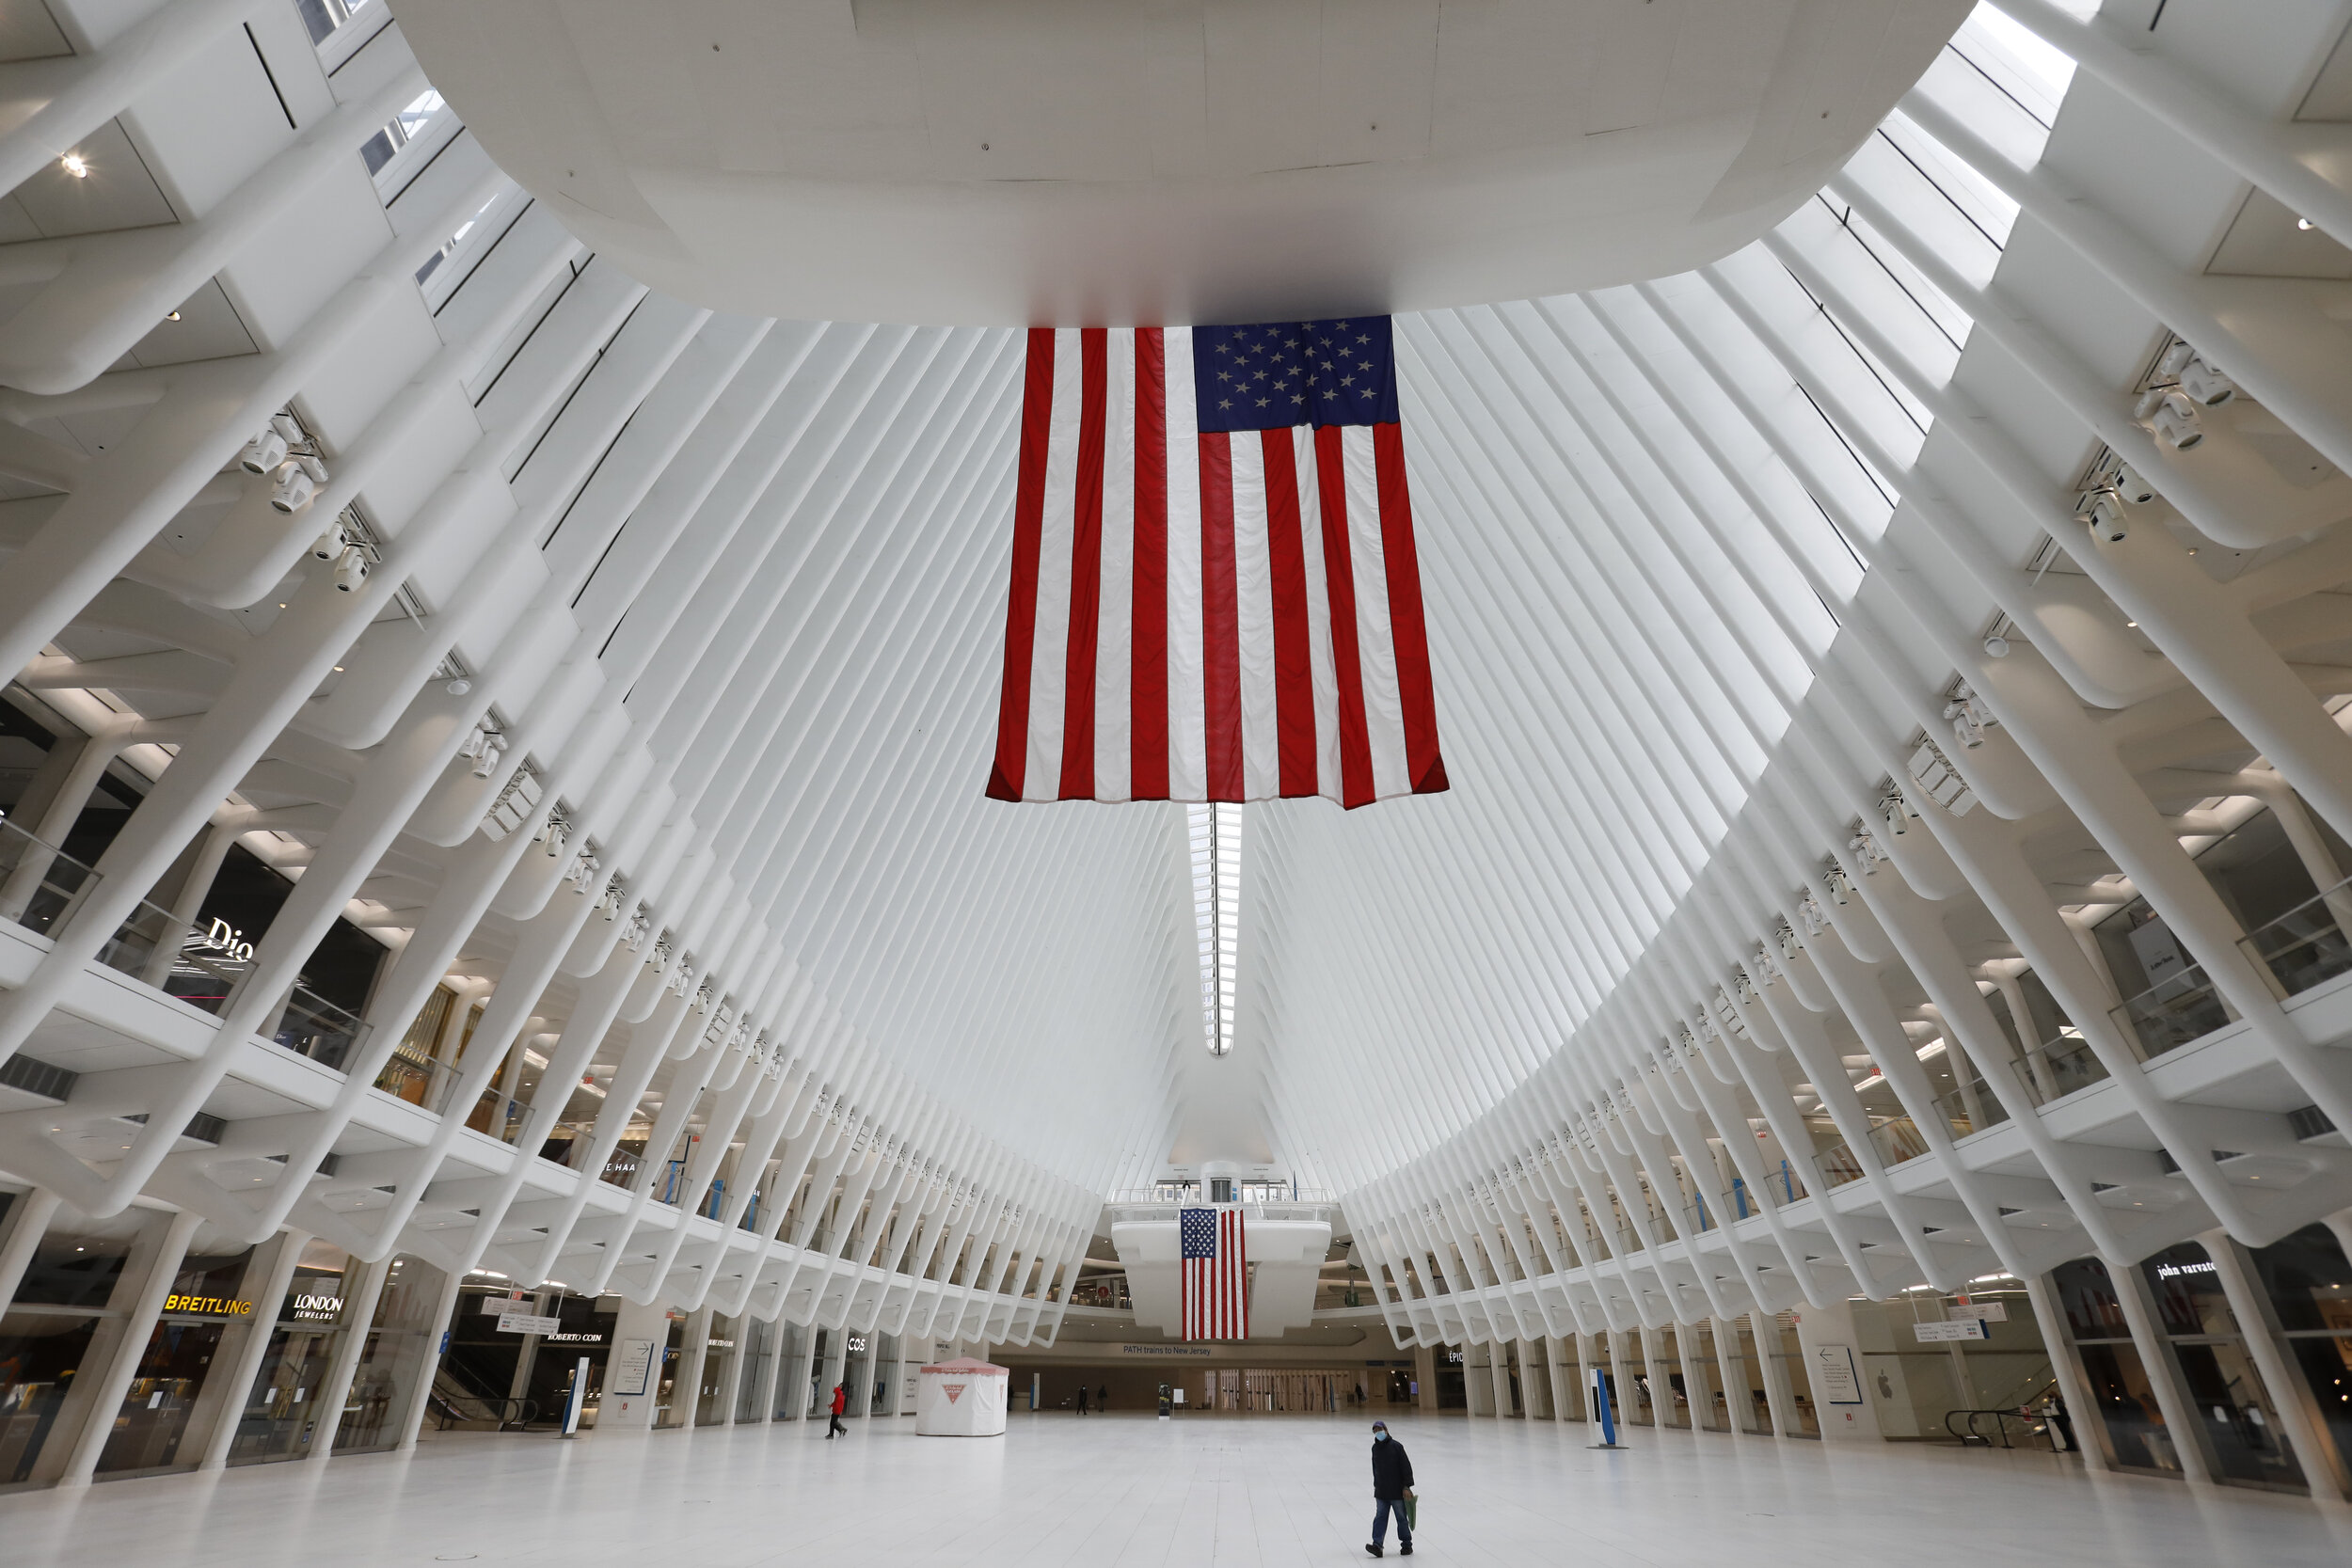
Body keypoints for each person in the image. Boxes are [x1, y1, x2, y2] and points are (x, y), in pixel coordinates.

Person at [1365, 1419, 1413, 1557]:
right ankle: (1377, 1545)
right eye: (1375, 1431)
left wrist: (1406, 1486)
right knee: (1380, 1517)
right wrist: (1376, 1486)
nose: (1377, 1432)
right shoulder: (1374, 1448)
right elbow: (1375, 1469)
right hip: (1381, 1491)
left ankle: (1406, 1544)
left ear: (1386, 1430)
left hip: (1397, 1491)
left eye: (1379, 1429)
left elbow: (1406, 1467)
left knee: (1401, 1518)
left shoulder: (1396, 1446)